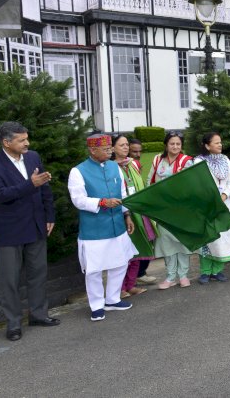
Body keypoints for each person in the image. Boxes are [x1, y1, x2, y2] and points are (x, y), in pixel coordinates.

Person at [0, 121, 59, 341]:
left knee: (38, 274)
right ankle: (13, 324)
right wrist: (29, 184)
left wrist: (49, 215)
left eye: (27, 138)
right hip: (9, 231)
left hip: (36, 225)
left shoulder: (33, 157)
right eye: (22, 140)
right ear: (6, 143)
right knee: (10, 280)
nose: (28, 143)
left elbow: (44, 187)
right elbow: (0, 195)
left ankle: (38, 315)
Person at [68, 134, 137, 322]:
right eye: (106, 149)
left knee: (121, 263)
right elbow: (78, 200)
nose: (110, 151)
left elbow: (122, 194)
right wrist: (102, 202)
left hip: (117, 226)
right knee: (94, 270)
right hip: (94, 230)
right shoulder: (78, 171)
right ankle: (97, 305)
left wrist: (127, 215)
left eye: (110, 148)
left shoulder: (115, 167)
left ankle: (113, 299)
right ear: (92, 150)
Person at [147, 131, 194, 289]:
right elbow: (150, 181)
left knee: (182, 242)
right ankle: (170, 276)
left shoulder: (187, 161)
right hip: (163, 210)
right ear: (166, 145)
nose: (175, 146)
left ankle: (183, 275)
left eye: (178, 144)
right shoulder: (157, 160)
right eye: (172, 143)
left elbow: (191, 185)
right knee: (167, 243)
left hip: (182, 209)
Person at [193, 132, 230, 284]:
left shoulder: (225, 159)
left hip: (223, 203)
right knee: (208, 237)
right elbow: (197, 184)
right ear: (207, 146)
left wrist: (225, 195)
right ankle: (205, 272)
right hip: (206, 204)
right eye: (216, 143)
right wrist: (211, 198)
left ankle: (217, 270)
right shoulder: (198, 162)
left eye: (220, 142)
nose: (220, 145)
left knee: (222, 236)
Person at [111, 135, 153, 299]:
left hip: (137, 212)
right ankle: (120, 288)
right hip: (120, 212)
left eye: (127, 145)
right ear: (113, 148)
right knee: (122, 253)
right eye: (121, 145)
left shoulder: (133, 164)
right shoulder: (110, 167)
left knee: (137, 249)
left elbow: (140, 185)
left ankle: (131, 284)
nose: (126, 148)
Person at [127, 138, 156, 285]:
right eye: (134, 151)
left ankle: (140, 273)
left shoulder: (136, 165)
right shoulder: (121, 167)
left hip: (142, 209)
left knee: (149, 237)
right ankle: (136, 275)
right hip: (129, 212)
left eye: (140, 151)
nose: (138, 154)